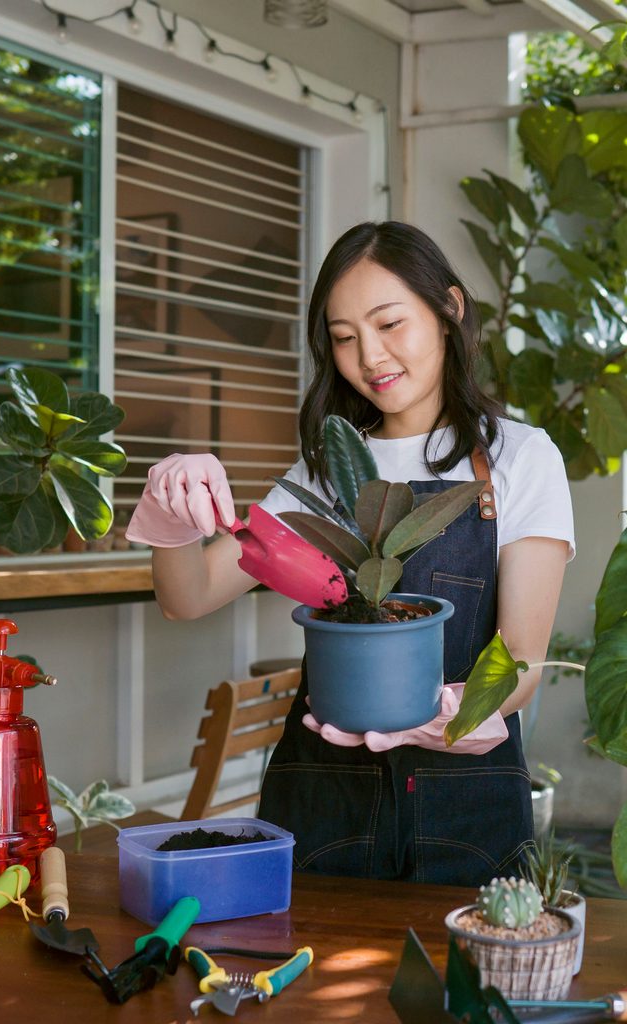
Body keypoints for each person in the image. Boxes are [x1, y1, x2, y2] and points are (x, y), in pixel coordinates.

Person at [127, 221, 574, 886]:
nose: (370, 356)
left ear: (449, 310)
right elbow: (187, 596)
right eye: (343, 338)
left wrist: (455, 712)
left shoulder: (519, 458)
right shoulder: (328, 470)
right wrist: (169, 515)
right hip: (325, 793)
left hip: (468, 802)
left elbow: (522, 659)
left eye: (390, 324)